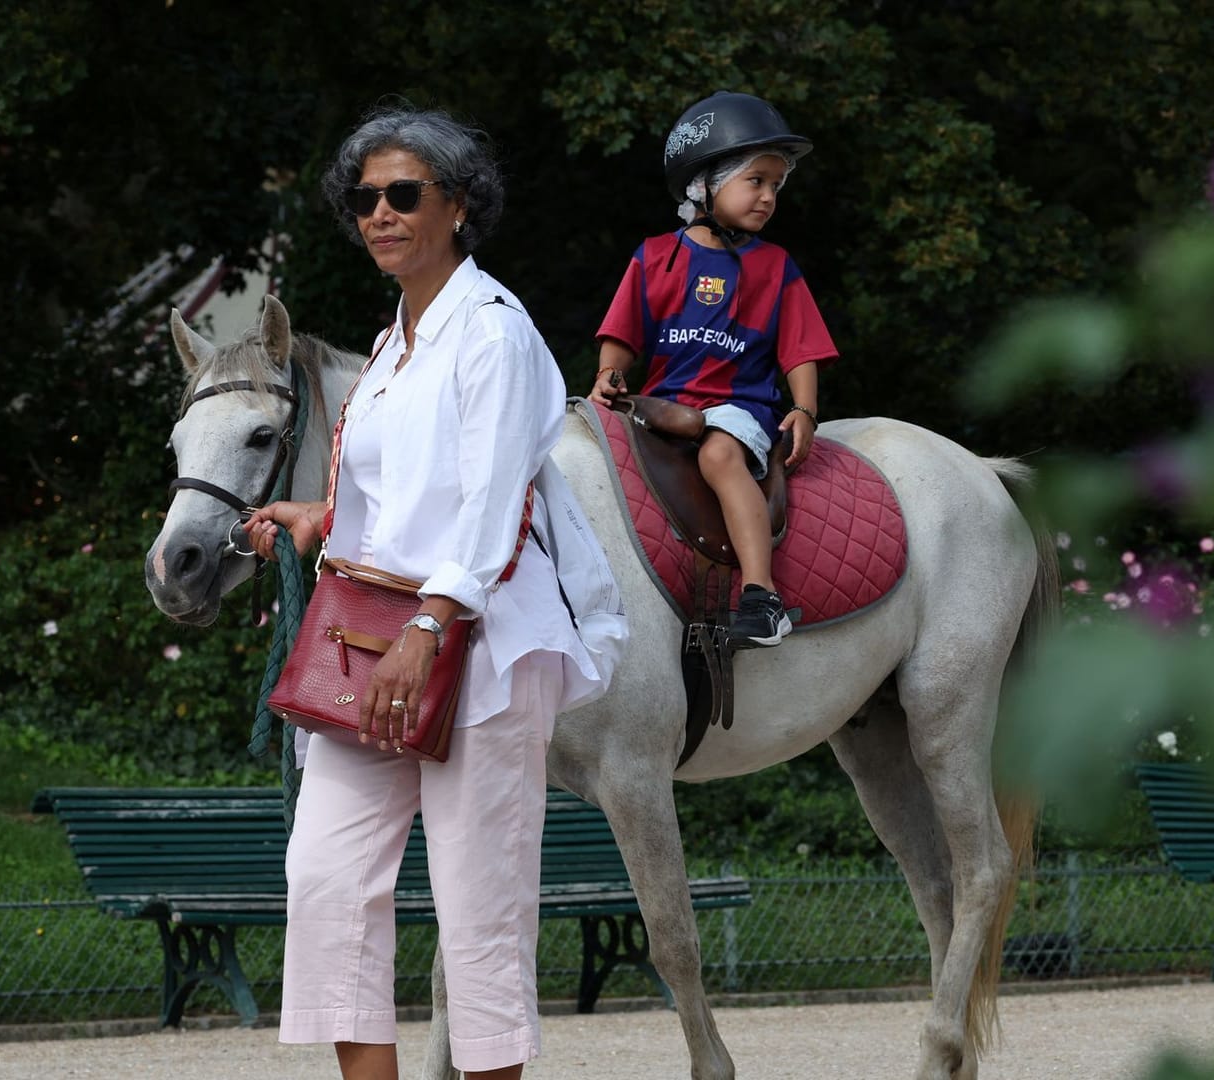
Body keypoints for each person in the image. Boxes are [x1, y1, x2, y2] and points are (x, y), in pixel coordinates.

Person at [245, 103, 607, 1080]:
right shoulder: (394, 345)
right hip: (373, 649)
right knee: (323, 879)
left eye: (405, 194)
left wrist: (432, 621)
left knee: (480, 907)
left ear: (458, 205)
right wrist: (319, 524)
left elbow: (492, 505)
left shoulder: (494, 335)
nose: (381, 214)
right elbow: (399, 497)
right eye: (364, 200)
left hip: (476, 648)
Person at [589, 91, 839, 648]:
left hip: (738, 409)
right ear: (704, 183)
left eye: (777, 184)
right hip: (665, 406)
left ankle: (761, 598)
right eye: (756, 181)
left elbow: (800, 349)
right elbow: (622, 332)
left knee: (720, 453)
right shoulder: (655, 256)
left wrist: (803, 409)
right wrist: (610, 372)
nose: (769, 196)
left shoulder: (776, 266)